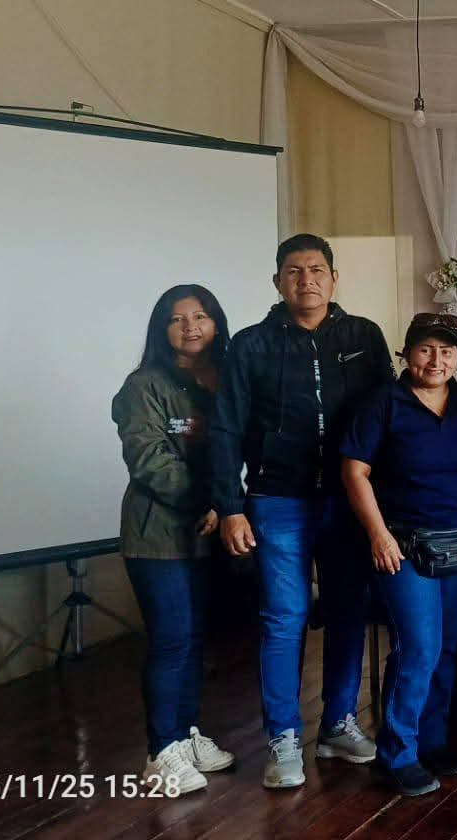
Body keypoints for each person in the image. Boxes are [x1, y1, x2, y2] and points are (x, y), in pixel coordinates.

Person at [209, 233, 394, 789]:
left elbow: (388, 415)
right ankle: (284, 737)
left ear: (334, 279)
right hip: (276, 499)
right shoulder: (250, 345)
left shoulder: (363, 336)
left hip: (347, 499)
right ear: (277, 281)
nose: (306, 280)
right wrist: (230, 506)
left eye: (316, 270)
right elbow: (226, 428)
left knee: (347, 611)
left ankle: (338, 723)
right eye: (294, 271)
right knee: (283, 617)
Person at [342, 313, 457, 796]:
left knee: (448, 647)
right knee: (419, 648)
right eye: (425, 350)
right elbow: (354, 472)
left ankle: (431, 742)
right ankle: (396, 754)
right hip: (401, 545)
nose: (435, 360)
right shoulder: (382, 402)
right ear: (406, 354)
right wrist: (378, 535)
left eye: (446, 351)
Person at [114, 284, 237, 797]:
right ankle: (160, 751)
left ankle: (186, 735)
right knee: (171, 640)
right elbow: (150, 460)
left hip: (208, 530)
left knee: (194, 640)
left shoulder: (226, 379)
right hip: (157, 534)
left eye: (200, 316)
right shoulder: (143, 385)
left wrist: (226, 504)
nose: (190, 326)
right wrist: (209, 501)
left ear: (217, 324)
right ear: (161, 329)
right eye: (177, 318)